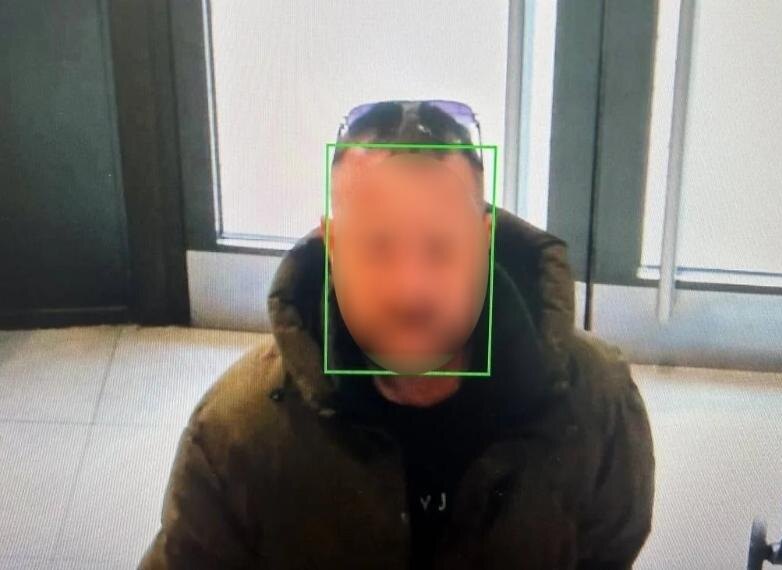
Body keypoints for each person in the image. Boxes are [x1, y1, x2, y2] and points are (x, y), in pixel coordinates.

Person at [138, 100, 655, 569]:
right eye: (378, 248)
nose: (411, 289)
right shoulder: (238, 430)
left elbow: (608, 553)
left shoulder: (598, 403)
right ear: (333, 246)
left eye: (440, 248)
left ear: (484, 241)